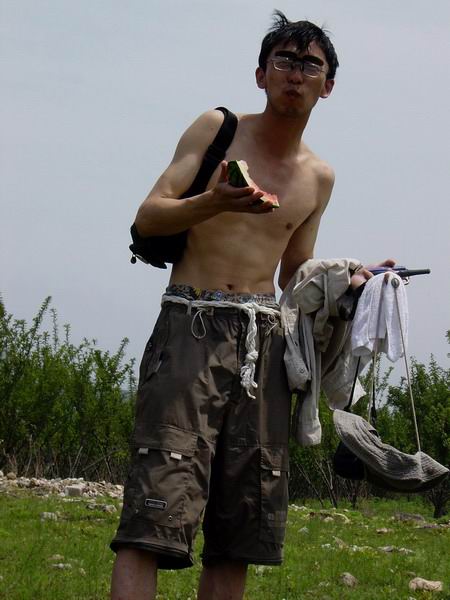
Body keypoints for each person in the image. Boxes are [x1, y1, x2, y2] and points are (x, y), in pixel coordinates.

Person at [110, 11, 389, 600]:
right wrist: (215, 202)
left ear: (328, 85)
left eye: (310, 64)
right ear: (261, 74)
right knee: (155, 509)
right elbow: (149, 216)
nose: (295, 73)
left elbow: (295, 273)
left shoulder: (319, 176)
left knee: (241, 523)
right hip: (190, 324)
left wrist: (350, 282)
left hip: (265, 342)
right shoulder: (219, 127)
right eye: (283, 60)